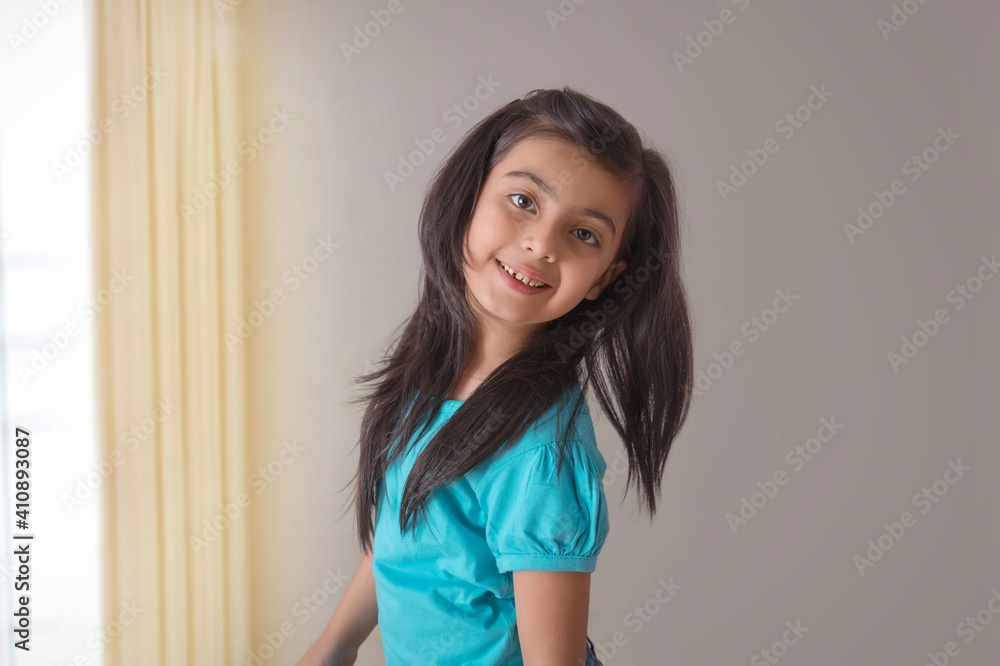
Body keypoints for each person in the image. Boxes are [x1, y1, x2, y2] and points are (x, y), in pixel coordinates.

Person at [297, 86, 693, 665]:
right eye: (524, 201)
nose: (540, 244)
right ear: (469, 197)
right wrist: (335, 645)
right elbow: (402, 537)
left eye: (583, 234)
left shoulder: (540, 454)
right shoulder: (428, 378)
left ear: (604, 278)